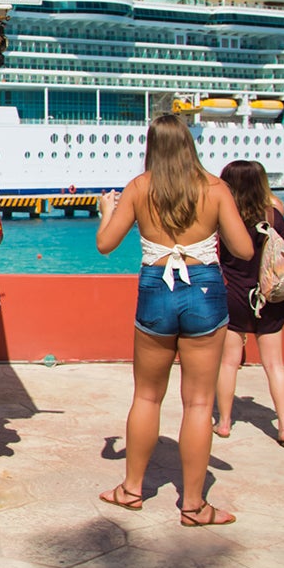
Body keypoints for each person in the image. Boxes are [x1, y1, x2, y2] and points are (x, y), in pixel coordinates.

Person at [95, 113, 254, 527]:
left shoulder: (138, 188)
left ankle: (131, 489)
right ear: (189, 144)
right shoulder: (214, 189)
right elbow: (244, 250)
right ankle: (194, 506)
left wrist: (104, 211)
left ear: (152, 146)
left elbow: (105, 245)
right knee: (199, 402)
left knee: (147, 396)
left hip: (155, 288)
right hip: (203, 289)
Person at [214, 160, 284, 447]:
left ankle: (224, 423)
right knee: (274, 365)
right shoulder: (274, 217)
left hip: (234, 296)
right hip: (270, 296)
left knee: (228, 363)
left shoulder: (225, 219)